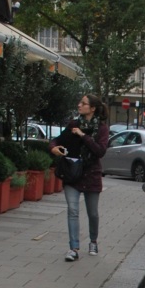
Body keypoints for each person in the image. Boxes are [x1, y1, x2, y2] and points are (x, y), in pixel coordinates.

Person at [50, 94, 110, 261]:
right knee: (73, 210)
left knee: (93, 214)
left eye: (83, 103)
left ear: (92, 108)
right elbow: (57, 140)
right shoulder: (73, 124)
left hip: (91, 175)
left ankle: (93, 241)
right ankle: (74, 248)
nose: (79, 105)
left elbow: (100, 151)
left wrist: (83, 135)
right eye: (80, 102)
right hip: (72, 174)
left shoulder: (102, 129)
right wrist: (54, 148)